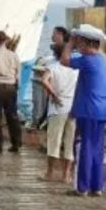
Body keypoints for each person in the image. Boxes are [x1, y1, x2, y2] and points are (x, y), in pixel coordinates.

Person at [67, 24, 106, 197]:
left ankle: (82, 186)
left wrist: (69, 44)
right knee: (97, 149)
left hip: (88, 111)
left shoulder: (87, 60)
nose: (78, 45)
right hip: (101, 110)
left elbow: (64, 60)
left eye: (80, 42)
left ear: (86, 43)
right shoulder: (103, 59)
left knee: (83, 147)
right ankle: (97, 186)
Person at [39, 42, 78, 183]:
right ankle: (66, 175)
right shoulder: (76, 69)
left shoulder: (53, 67)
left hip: (57, 108)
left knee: (54, 142)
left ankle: (49, 173)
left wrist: (53, 94)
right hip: (73, 107)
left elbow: (44, 81)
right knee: (70, 142)